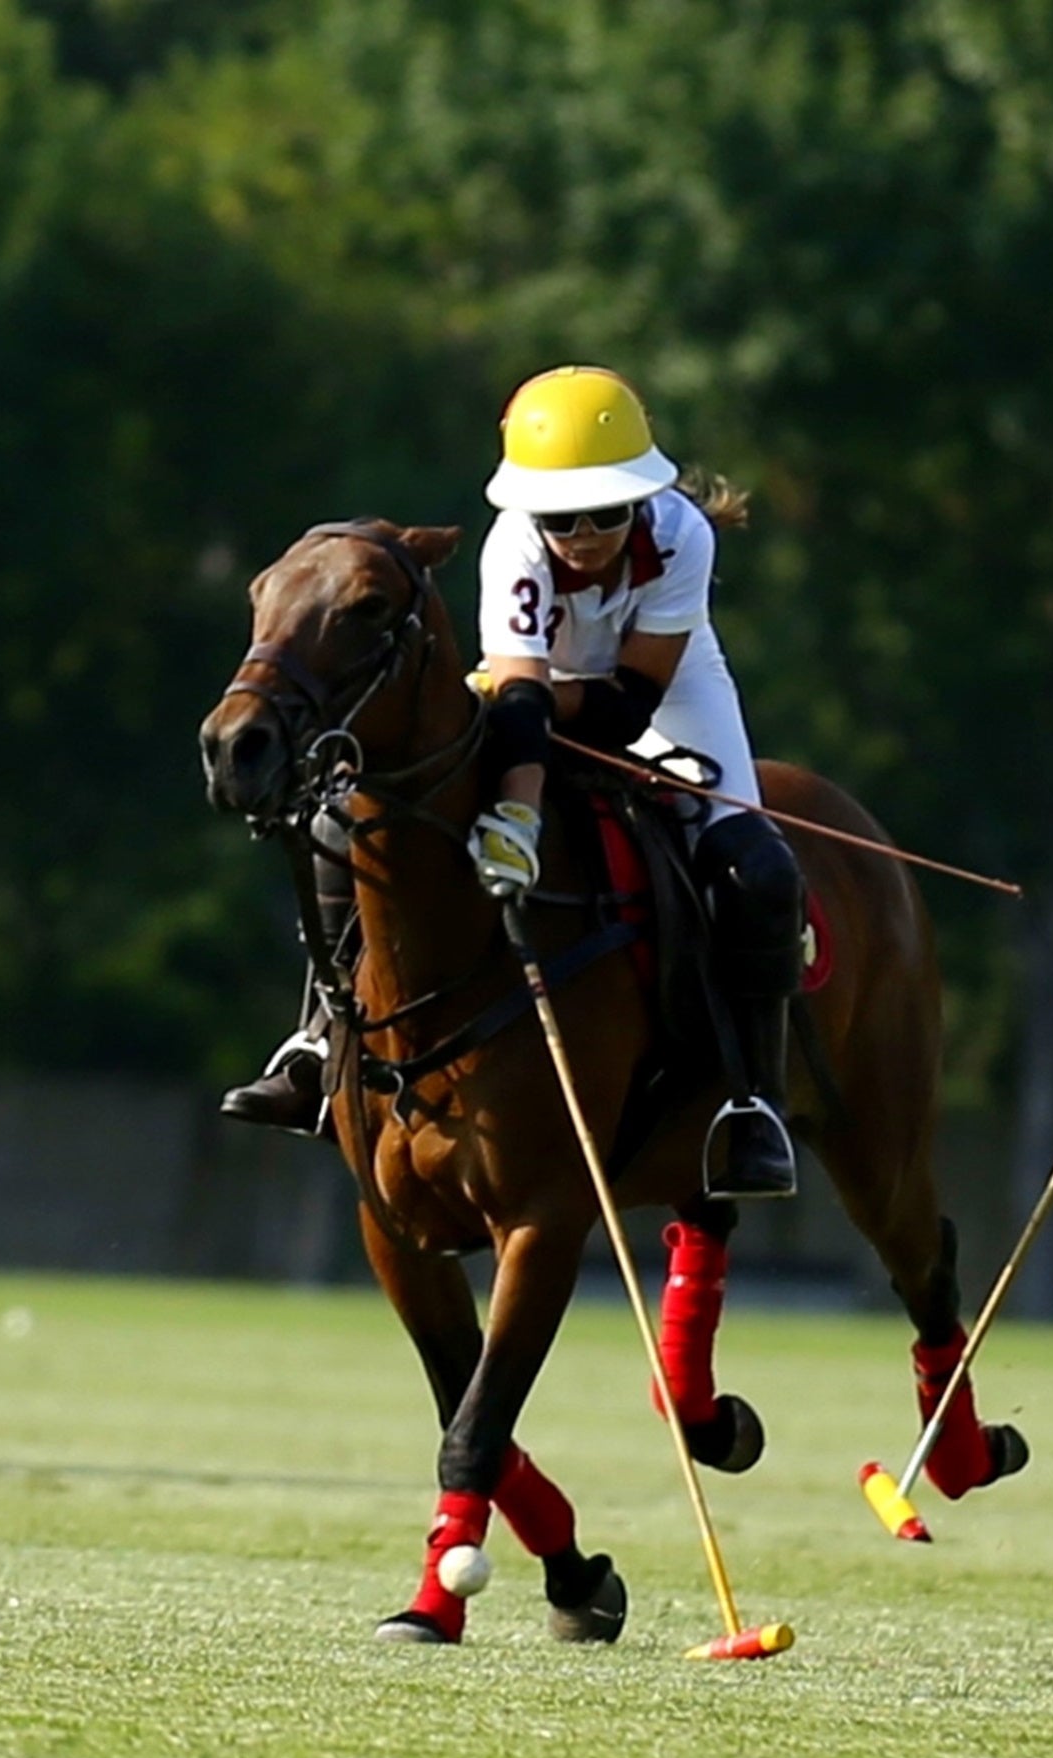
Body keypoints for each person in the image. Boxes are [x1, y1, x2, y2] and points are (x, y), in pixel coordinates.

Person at [220, 366, 804, 1199]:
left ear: (642, 498)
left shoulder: (681, 536)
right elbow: (525, 702)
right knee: (340, 821)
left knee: (759, 870)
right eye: (565, 516)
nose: (586, 533)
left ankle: (753, 1103)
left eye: (609, 511)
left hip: (669, 689)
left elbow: (628, 703)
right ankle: (316, 1038)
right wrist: (517, 820)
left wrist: (522, 778)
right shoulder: (515, 544)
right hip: (527, 688)